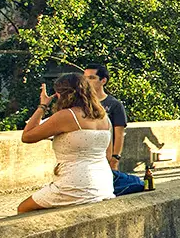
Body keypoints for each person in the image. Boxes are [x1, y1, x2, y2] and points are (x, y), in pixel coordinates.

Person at [18, 73, 114, 212]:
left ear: (61, 94)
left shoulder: (67, 116)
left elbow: (27, 136)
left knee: (24, 209)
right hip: (103, 183)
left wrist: (42, 106)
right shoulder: (103, 117)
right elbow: (108, 155)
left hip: (75, 184)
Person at [83, 64, 140, 194]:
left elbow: (119, 133)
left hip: (105, 154)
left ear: (103, 81)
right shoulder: (82, 103)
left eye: (91, 78)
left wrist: (115, 157)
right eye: (85, 78)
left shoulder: (114, 105)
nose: (87, 81)